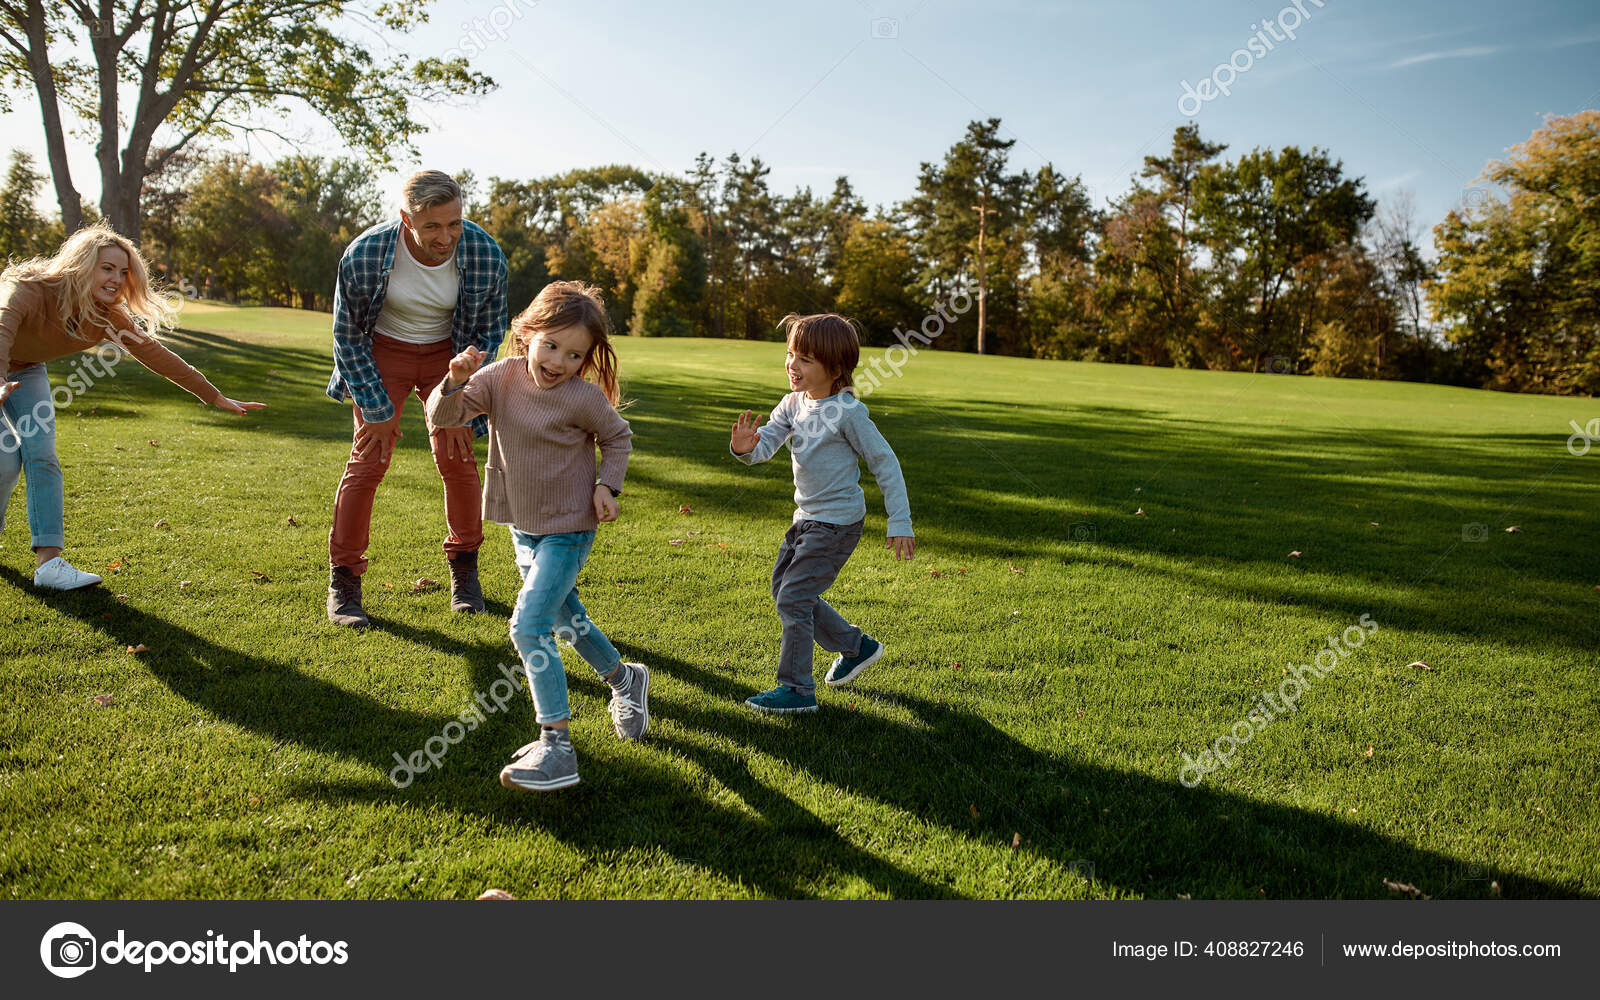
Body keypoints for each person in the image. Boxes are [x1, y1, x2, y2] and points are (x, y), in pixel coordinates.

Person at [426, 280, 647, 792]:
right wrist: (453, 381)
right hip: (524, 528)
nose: (558, 361)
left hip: (569, 528)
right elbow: (444, 416)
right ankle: (624, 678)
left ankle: (556, 746)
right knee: (568, 623)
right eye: (551, 345)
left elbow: (618, 437)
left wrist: (606, 485)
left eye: (574, 354)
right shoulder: (499, 378)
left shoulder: (583, 398)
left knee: (528, 628)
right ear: (526, 335)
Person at [1, 224, 264, 590]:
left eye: (123, 272)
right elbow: (3, 327)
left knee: (41, 455)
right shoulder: (29, 288)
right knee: (5, 460)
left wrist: (213, 395)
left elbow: (154, 354)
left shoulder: (106, 314)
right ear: (81, 264)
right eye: (106, 268)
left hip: (26, 370)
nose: (117, 278)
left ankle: (49, 564)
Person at [324, 169, 508, 626]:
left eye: (454, 223)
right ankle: (344, 578)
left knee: (457, 456)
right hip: (383, 351)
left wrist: (462, 392)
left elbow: (490, 331)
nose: (445, 237)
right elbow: (346, 337)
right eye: (432, 226)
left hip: (451, 356)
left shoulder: (485, 253)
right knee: (368, 459)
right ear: (407, 219)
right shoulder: (365, 253)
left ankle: (464, 567)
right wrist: (376, 408)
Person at [729, 313, 915, 714]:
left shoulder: (848, 412)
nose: (793, 365)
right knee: (787, 591)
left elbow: (886, 464)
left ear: (835, 370)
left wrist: (900, 521)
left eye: (806, 359)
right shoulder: (792, 403)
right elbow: (766, 447)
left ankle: (796, 690)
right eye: (791, 354)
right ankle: (855, 646)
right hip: (806, 519)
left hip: (837, 523)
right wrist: (746, 448)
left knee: (794, 597)